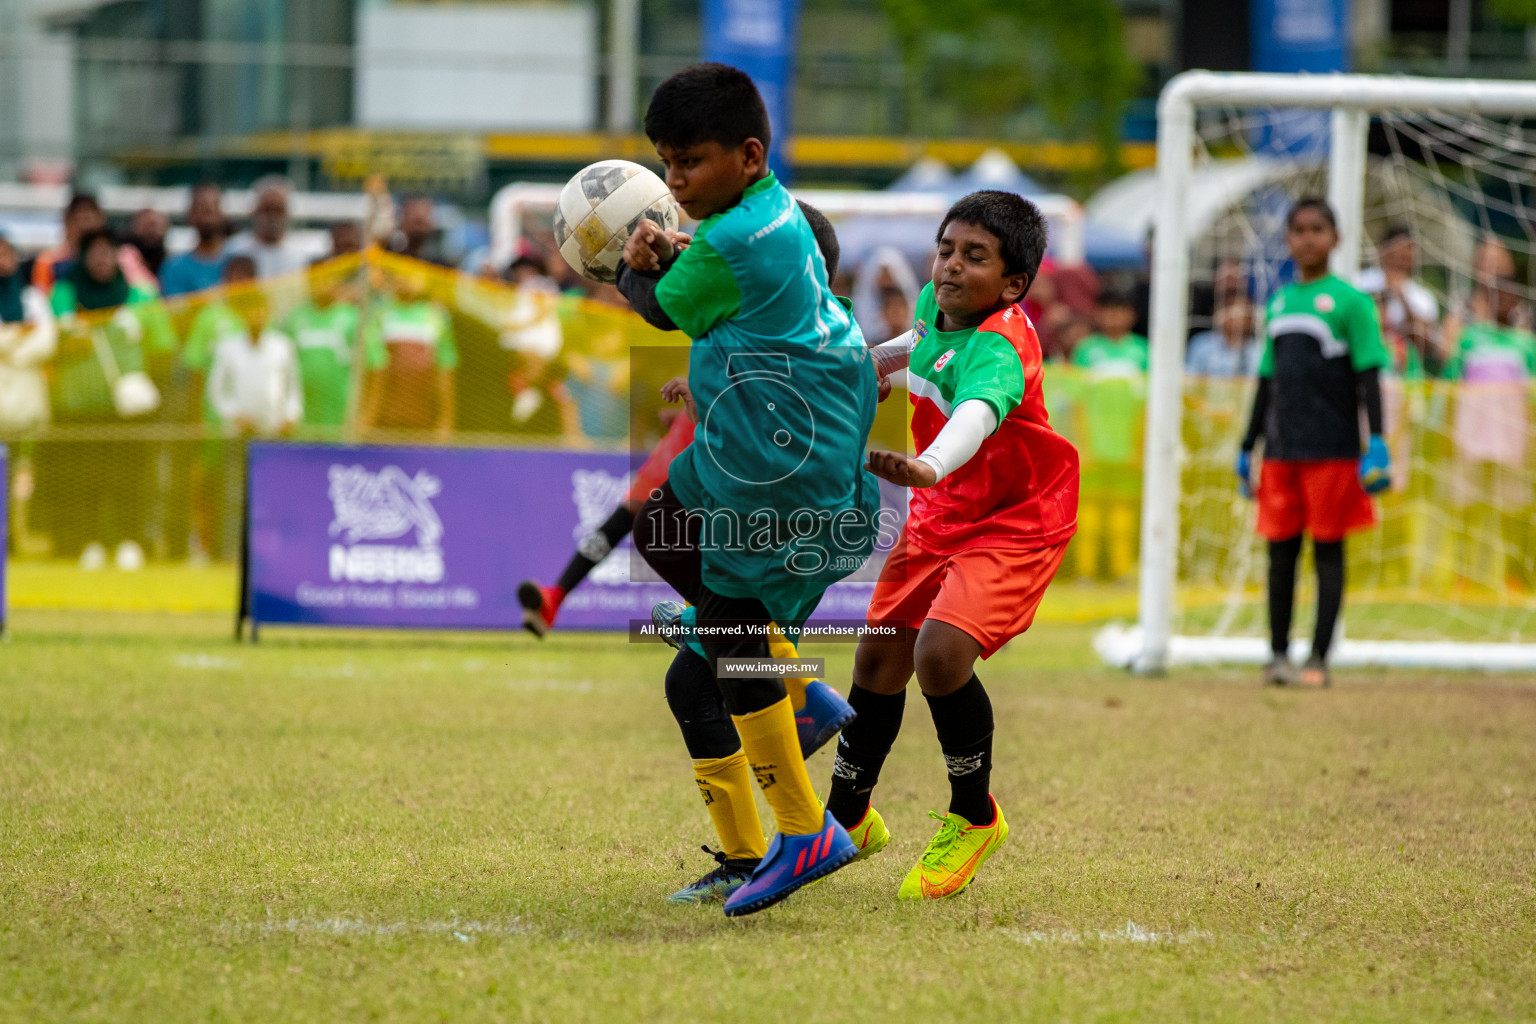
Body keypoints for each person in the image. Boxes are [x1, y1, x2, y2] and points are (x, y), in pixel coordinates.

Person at [619, 63, 880, 916]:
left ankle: (806, 832)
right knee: (688, 650)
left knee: (730, 636)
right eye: (665, 162)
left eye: (688, 160)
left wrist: (625, 269)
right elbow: (714, 288)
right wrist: (676, 251)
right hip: (782, 449)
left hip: (779, 472)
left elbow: (662, 311)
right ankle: (752, 829)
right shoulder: (771, 212)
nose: (674, 180)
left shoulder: (732, 240)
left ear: (748, 152)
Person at [823, 191, 1078, 902]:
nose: (951, 267)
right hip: (942, 514)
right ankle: (846, 820)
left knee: (939, 654)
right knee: (878, 659)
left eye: (974, 256)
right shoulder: (940, 308)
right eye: (945, 249)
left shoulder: (1002, 344)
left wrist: (929, 464)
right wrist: (868, 364)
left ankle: (974, 816)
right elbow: (920, 350)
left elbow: (974, 411)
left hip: (1014, 519)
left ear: (1014, 283)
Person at [1236, 198, 1391, 689]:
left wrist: (1378, 441)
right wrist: (1247, 444)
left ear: (1336, 238)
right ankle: (1277, 654)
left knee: (1328, 552)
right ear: (1288, 239)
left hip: (1334, 451)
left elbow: (1369, 376)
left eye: (1317, 229)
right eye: (1298, 230)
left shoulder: (1352, 302)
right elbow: (1267, 382)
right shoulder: (1279, 303)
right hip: (1281, 453)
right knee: (1280, 554)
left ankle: (1319, 658)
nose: (1307, 238)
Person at [45, 228, 175, 571]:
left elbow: (163, 347)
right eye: (95, 253)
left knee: (129, 478)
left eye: (108, 253)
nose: (102, 260)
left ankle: (130, 541)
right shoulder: (64, 294)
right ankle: (87, 542)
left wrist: (142, 382)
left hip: (129, 411)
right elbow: (50, 343)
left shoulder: (141, 296)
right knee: (83, 479)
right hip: (78, 409)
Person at [1440, 271, 1536, 588]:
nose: (1504, 302)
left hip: (1512, 440)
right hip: (1472, 438)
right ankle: (1464, 572)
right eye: (1499, 295)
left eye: (1511, 296)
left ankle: (1514, 573)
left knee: (1513, 509)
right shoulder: (1470, 337)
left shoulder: (1526, 344)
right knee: (1468, 506)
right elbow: (1453, 387)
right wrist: (1448, 430)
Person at [181, 256, 261, 560]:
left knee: (245, 486)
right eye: (233, 277)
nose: (239, 284)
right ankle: (201, 544)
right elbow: (195, 370)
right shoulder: (210, 317)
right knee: (207, 482)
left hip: (252, 421)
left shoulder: (259, 316)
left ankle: (239, 549)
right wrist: (196, 417)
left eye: (246, 277)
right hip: (213, 419)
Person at [1070, 289, 1148, 581]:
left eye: (1121, 310)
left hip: (1128, 448)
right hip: (1093, 447)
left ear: (1132, 315)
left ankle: (1123, 571)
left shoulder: (1143, 352)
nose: (1114, 317)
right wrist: (1082, 444)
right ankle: (1085, 573)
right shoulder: (1086, 351)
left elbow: (1148, 407)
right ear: (1098, 314)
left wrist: (1140, 445)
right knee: (1088, 510)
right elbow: (1077, 404)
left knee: (1123, 510)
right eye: (1109, 310)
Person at [358, 266, 457, 437]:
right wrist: (368, 417)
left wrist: (445, 420)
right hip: (385, 418)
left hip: (424, 415)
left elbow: (445, 371)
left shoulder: (436, 316)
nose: (407, 282)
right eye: (401, 275)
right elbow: (376, 372)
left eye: (411, 276)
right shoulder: (379, 314)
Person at [284, 261, 369, 432]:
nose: (322, 286)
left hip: (341, 414)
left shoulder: (353, 318)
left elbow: (371, 367)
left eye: (327, 280)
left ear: (337, 283)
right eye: (316, 280)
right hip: (301, 416)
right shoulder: (294, 318)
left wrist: (364, 414)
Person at [206, 287, 302, 437]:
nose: (256, 317)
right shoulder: (228, 347)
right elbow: (216, 390)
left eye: (260, 311)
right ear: (243, 314)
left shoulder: (282, 346)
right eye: (252, 312)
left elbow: (293, 387)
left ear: (268, 313)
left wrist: (290, 416)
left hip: (274, 429)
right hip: (238, 432)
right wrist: (233, 415)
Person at [1358, 225, 1441, 377]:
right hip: (1363, 368)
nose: (1404, 254)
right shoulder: (1360, 283)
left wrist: (1402, 299)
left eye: (1409, 249)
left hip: (1406, 377)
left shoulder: (1423, 297)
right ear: (1383, 249)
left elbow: (1425, 344)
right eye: (1399, 248)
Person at [0, 234, 58, 433]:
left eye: (6, 253)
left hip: (30, 391)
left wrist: (13, 351)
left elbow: (47, 339)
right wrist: (21, 335)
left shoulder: (33, 298)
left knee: (25, 457)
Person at [227, 177, 308, 280]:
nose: (272, 217)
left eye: (278, 210)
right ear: (254, 211)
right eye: (267, 209)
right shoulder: (235, 250)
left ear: (288, 214)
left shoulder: (301, 256)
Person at [160, 184, 230, 298]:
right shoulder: (175, 267)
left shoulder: (238, 262)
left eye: (213, 209)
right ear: (191, 215)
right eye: (202, 209)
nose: (208, 218)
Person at [1185, 299, 1260, 378]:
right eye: (1235, 314)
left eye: (1246, 315)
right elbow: (1190, 374)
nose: (1239, 321)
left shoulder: (1256, 349)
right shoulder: (1202, 344)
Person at [127, 208, 170, 282]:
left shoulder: (170, 262)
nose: (151, 230)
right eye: (146, 225)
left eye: (154, 225)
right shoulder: (122, 260)